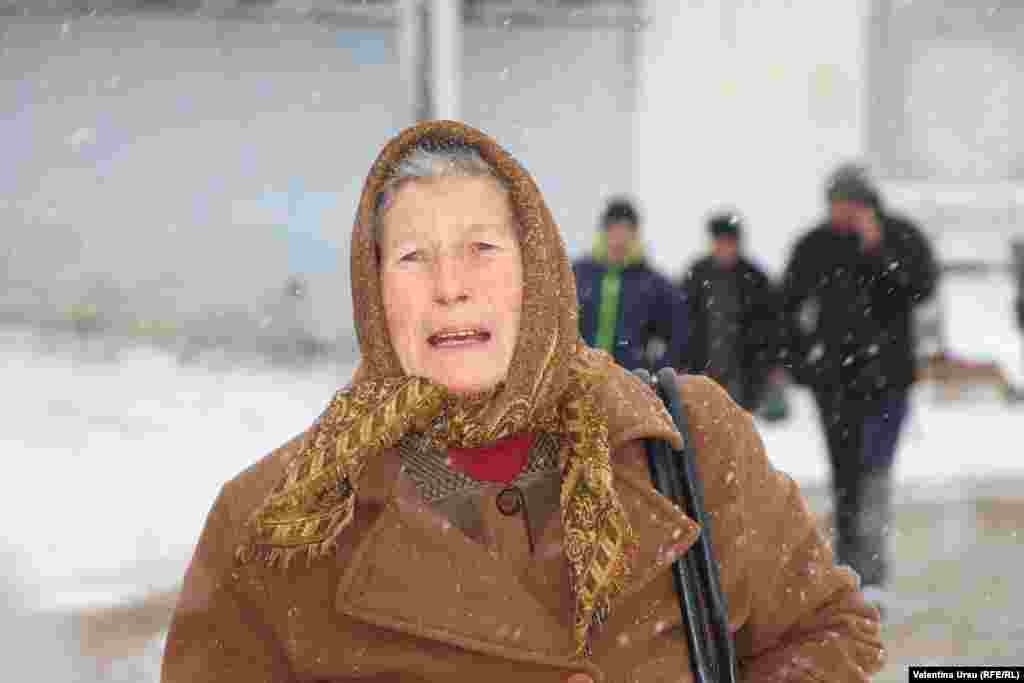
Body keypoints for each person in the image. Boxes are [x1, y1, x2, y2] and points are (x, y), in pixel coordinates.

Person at [162, 121, 883, 682]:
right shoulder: (274, 525)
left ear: (535, 270)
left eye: (481, 248)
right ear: (373, 289)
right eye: (413, 256)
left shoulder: (687, 443)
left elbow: (825, 630)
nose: (451, 285)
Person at [780, 162, 938, 607]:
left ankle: (872, 574)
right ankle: (850, 571)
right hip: (835, 384)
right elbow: (788, 307)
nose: (838, 213)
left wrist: (878, 250)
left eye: (846, 204)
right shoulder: (815, 245)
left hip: (888, 382)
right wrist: (802, 366)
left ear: (865, 204)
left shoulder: (900, 237)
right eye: (833, 205)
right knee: (845, 477)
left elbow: (920, 287)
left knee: (875, 473)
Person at [680, 210, 783, 413]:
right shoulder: (696, 276)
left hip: (744, 374)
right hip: (702, 370)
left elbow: (771, 327)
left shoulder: (756, 279)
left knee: (739, 431)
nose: (723, 247)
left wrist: (769, 365)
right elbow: (683, 322)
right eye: (719, 240)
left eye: (729, 241)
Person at [572, 197, 688, 372]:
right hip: (580, 377)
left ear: (634, 235)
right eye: (614, 229)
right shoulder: (578, 274)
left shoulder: (653, 283)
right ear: (604, 232)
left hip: (630, 382)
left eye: (626, 231)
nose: (619, 238)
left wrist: (658, 370)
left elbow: (678, 331)